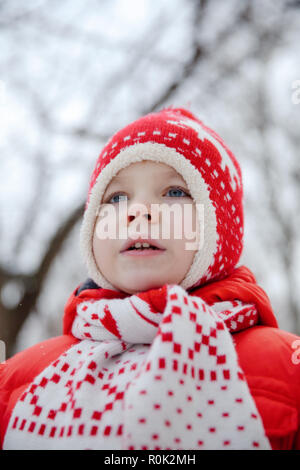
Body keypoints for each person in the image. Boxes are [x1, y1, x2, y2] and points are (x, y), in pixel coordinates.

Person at [1, 107, 299, 450]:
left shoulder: (289, 370)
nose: (137, 210)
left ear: (220, 230)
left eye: (174, 192)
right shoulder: (15, 382)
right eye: (115, 197)